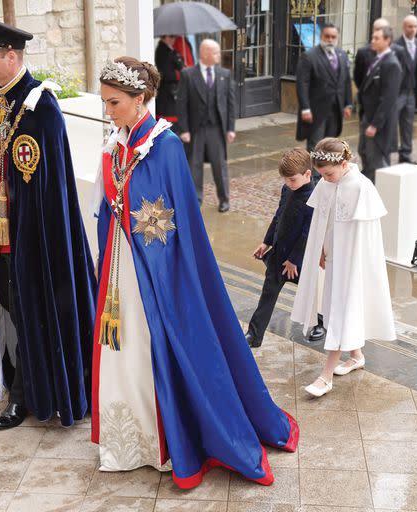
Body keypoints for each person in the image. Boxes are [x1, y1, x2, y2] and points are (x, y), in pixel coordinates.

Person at [92, 57, 298, 488]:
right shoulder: (117, 143)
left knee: (152, 346)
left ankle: (168, 438)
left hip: (155, 273)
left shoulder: (164, 147)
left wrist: (147, 255)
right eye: (106, 102)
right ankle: (130, 438)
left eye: (115, 103)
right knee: (122, 348)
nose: (108, 111)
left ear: (140, 98)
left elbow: (175, 225)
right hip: (120, 266)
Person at [0, 15, 97, 430]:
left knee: (30, 307)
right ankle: (18, 384)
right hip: (1, 231)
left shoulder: (39, 106)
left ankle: (27, 394)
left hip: (35, 235)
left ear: (11, 56)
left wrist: (30, 234)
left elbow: (50, 186)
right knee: (9, 304)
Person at [291, 138, 396, 398]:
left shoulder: (362, 187)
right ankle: (356, 356)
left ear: (344, 164)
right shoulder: (327, 184)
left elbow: (366, 238)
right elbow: (323, 222)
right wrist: (322, 249)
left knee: (340, 311)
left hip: (352, 264)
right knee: (335, 308)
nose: (324, 179)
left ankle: (325, 376)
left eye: (328, 174)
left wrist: (353, 264)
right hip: (335, 260)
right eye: (321, 175)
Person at [245, 149, 318, 349]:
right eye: (285, 180)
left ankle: (322, 323)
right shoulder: (287, 190)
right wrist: (266, 242)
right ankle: (254, 334)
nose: (288, 184)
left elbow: (307, 233)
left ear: (307, 175)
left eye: (292, 180)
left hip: (299, 261)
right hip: (278, 257)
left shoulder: (314, 198)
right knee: (268, 294)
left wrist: (294, 259)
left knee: (314, 293)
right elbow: (278, 217)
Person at [177, 39, 237, 212]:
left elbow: (230, 103)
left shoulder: (224, 74)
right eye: (216, 53)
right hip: (195, 130)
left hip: (216, 129)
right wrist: (184, 129)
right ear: (205, 54)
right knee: (194, 165)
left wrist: (230, 129)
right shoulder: (188, 74)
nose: (219, 55)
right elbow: (181, 104)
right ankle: (196, 199)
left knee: (220, 165)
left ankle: (224, 199)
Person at [295, 24, 353, 167]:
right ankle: (314, 178)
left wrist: (348, 104)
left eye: (333, 37)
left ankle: (328, 173)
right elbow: (302, 83)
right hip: (316, 110)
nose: (330, 40)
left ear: (337, 38)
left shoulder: (342, 55)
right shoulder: (309, 56)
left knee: (331, 145)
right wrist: (305, 108)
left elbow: (346, 81)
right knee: (316, 145)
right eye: (327, 36)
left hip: (335, 109)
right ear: (321, 37)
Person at [358, 25, 402, 183]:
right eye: (373, 37)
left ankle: (378, 195)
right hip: (367, 117)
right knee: (364, 153)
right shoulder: (377, 59)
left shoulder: (392, 64)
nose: (372, 41)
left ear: (387, 40)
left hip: (379, 124)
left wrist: (375, 124)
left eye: (376, 38)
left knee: (376, 161)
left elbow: (388, 99)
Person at [393, 15, 417, 164]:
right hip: (398, 93)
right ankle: (383, 155)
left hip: (411, 92)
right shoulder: (396, 45)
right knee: (390, 123)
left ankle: (405, 155)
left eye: (415, 26)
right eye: (410, 26)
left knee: (407, 125)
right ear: (404, 27)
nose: (413, 29)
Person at [154, 35, 185, 126]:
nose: (174, 39)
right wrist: (181, 74)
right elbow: (168, 74)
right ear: (164, 37)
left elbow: (181, 65)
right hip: (167, 92)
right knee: (168, 124)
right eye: (171, 36)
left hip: (172, 90)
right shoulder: (162, 51)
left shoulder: (171, 50)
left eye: (174, 36)